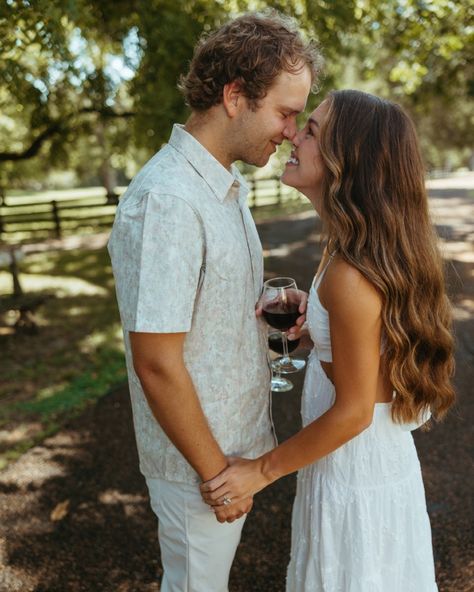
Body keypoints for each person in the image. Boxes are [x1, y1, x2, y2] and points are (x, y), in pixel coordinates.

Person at [200, 89, 456, 591]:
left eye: (312, 130)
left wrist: (261, 471)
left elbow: (355, 411)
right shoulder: (355, 253)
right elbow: (370, 350)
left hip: (355, 473)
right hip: (365, 465)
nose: (294, 133)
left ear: (349, 161)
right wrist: (320, 326)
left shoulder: (349, 274)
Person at [107, 11, 322, 592]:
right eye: (285, 111)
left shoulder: (223, 187)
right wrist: (218, 476)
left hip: (232, 455)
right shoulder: (170, 200)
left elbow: (217, 303)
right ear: (234, 96)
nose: (291, 130)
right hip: (201, 467)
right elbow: (155, 360)